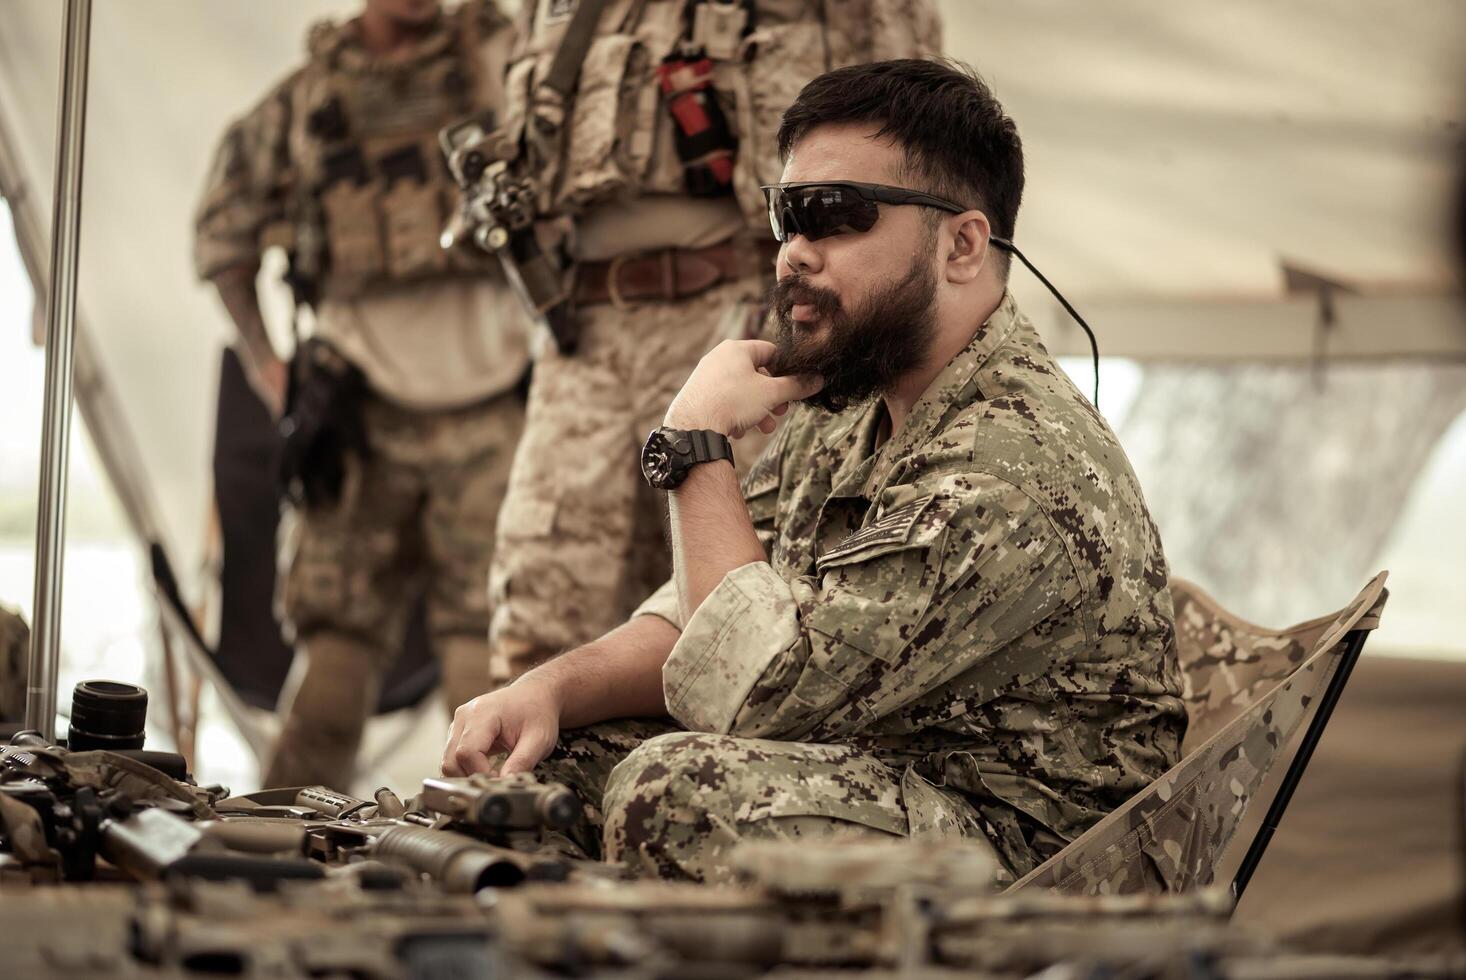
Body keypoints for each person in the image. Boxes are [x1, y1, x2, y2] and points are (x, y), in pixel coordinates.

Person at [442, 59, 1186, 884]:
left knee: (678, 791)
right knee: (535, 775)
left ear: (962, 245)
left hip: (1039, 862)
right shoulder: (857, 402)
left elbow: (751, 691)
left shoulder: (1011, 463)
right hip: (875, 777)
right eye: (784, 215)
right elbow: (704, 619)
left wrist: (694, 443)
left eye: (833, 215)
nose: (791, 254)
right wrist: (546, 690)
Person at [482, 0, 942, 684]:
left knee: (734, 599)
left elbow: (915, 145)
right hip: (581, 331)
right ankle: (525, 784)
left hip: (743, 312)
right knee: (539, 604)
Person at [194, 0, 531, 789]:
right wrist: (263, 361)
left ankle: (491, 859)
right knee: (333, 663)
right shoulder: (307, 102)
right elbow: (221, 234)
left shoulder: (502, 68)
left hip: (489, 413)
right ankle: (276, 866)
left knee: (481, 658)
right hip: (357, 421)